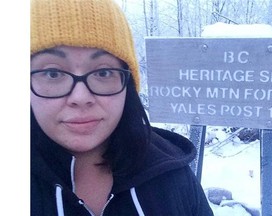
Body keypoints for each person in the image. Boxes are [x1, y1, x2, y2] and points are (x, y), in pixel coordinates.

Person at [30, 0, 214, 215]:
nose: (80, 97)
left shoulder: (172, 176)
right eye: (53, 73)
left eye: (103, 72)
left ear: (127, 84)